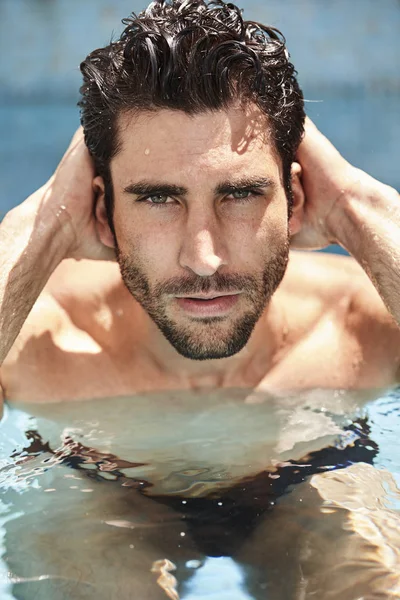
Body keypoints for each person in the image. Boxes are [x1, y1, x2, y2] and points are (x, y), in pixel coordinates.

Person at [1, 1, 400, 598]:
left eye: (239, 194)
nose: (204, 258)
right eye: (159, 200)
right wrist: (40, 230)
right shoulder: (32, 338)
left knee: (364, 563)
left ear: (292, 199)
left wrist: (357, 206)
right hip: (87, 489)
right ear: (103, 211)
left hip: (324, 474)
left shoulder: (365, 323)